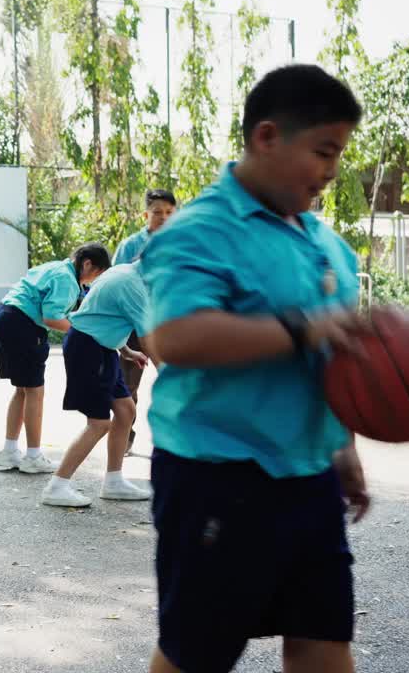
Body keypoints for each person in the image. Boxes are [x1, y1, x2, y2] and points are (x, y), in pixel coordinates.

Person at [141, 64, 371, 673]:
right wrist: (302, 327)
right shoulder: (199, 231)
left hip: (308, 477)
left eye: (339, 153)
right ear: (266, 137)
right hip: (217, 477)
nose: (332, 170)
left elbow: (332, 362)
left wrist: (340, 445)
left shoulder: (327, 243)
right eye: (323, 151)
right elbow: (176, 337)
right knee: (198, 652)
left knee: (323, 640)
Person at [41, 258, 155, 507]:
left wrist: (126, 351)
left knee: (126, 411)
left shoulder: (125, 272)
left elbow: (103, 316)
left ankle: (113, 481)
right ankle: (57, 486)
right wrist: (172, 378)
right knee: (99, 423)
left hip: (103, 347)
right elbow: (148, 339)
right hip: (88, 348)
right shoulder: (131, 284)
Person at [0, 244, 105, 475]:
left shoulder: (56, 267)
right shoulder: (68, 281)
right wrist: (83, 333)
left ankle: (9, 452)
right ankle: (33, 456)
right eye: (97, 273)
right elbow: (52, 317)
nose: (95, 280)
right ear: (87, 264)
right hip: (23, 325)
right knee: (35, 391)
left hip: (3, 317)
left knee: (23, 389)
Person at [113, 189, 178, 455]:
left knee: (175, 380)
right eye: (157, 212)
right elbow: (115, 279)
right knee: (128, 387)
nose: (163, 218)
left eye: (169, 213)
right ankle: (125, 439)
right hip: (133, 327)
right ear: (145, 214)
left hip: (167, 325)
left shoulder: (180, 244)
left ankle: (172, 440)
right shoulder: (130, 245)